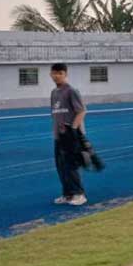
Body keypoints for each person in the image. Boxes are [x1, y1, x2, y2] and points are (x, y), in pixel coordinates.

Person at [50, 63, 88, 206]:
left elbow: (81, 111)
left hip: (70, 135)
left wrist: (73, 130)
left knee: (71, 165)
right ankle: (67, 194)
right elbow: (55, 113)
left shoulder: (71, 91)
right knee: (61, 166)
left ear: (65, 74)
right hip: (58, 136)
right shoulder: (54, 93)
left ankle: (79, 194)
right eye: (54, 73)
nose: (56, 76)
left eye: (60, 73)